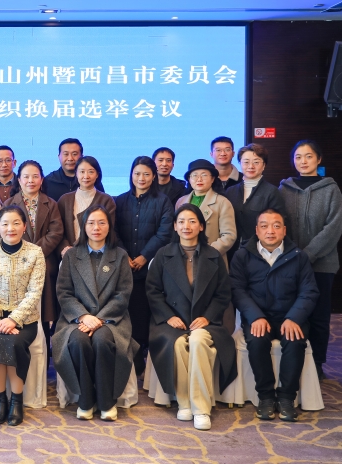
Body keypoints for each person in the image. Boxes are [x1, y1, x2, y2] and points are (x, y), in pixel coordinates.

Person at [146, 204, 236, 431]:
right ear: (175, 227)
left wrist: (207, 317)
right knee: (177, 343)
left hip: (206, 322)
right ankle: (184, 402)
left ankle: (201, 408)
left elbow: (223, 294)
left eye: (192, 221)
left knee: (197, 340)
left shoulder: (213, 256)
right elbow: (153, 291)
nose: (186, 226)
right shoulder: (163, 254)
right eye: (182, 221)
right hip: (171, 322)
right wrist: (168, 316)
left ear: (201, 226)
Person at [230, 209, 319, 422]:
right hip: (258, 317)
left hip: (289, 316)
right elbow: (237, 290)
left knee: (295, 341)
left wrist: (294, 318)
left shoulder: (299, 256)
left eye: (276, 226)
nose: (270, 231)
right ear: (257, 230)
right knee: (257, 341)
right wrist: (255, 316)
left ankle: (287, 397)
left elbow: (309, 292)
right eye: (264, 226)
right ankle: (266, 397)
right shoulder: (242, 255)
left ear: (284, 230)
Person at [53, 205, 135, 421]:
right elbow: (64, 293)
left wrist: (99, 319)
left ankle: (107, 401)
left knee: (102, 340)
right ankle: (86, 399)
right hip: (76, 319)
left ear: (109, 226)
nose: (96, 228)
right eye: (91, 223)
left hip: (112, 319)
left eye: (101, 223)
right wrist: (83, 316)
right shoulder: (71, 256)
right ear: (83, 226)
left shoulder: (120, 256)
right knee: (78, 341)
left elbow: (123, 294)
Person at [0, 206, 46, 426]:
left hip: (24, 320)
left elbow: (35, 292)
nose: (10, 228)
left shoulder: (35, 253)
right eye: (5, 224)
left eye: (16, 223)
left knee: (14, 343)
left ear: (24, 227)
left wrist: (13, 319)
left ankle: (16, 400)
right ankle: (0, 400)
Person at [279, 140, 342, 380]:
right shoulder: (284, 189)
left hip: (322, 264)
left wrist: (307, 255)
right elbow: (278, 225)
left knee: (319, 314)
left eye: (308, 156)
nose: (303, 161)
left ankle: (317, 362)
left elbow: (334, 227)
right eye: (298, 157)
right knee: (292, 312)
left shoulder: (330, 189)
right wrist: (294, 255)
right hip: (289, 263)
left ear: (318, 159)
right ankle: (294, 360)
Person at [115, 157, 174, 375]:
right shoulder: (120, 200)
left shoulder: (163, 201)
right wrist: (125, 255)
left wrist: (143, 256)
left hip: (151, 267)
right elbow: (114, 231)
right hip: (125, 267)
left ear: (154, 176)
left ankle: (148, 359)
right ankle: (133, 357)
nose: (141, 178)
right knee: (128, 310)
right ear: (131, 175)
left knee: (146, 312)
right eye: (137, 173)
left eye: (146, 174)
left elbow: (164, 233)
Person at [3, 161, 64, 353]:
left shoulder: (51, 204)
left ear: (42, 179)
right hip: (15, 264)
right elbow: (3, 232)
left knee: (43, 316)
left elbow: (56, 232)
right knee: (18, 314)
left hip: (44, 264)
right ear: (19, 180)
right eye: (26, 177)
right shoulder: (9, 204)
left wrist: (33, 253)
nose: (31, 180)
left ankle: (43, 363)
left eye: (35, 176)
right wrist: (24, 253)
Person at [224, 144, 285, 261]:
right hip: (232, 252)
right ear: (240, 164)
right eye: (246, 162)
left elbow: (279, 224)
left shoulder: (272, 192)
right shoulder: (230, 191)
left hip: (261, 253)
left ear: (264, 165)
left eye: (256, 162)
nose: (250, 166)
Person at [176, 159, 237, 262]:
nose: (199, 179)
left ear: (212, 179)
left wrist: (208, 253)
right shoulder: (181, 201)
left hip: (211, 258)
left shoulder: (222, 202)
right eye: (194, 175)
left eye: (204, 175)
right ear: (189, 179)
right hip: (183, 257)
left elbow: (229, 235)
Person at [57, 156, 116, 258]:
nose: (86, 176)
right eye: (82, 172)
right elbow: (58, 230)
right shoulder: (64, 200)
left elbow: (108, 230)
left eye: (91, 172)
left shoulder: (107, 200)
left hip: (97, 255)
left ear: (97, 175)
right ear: (76, 173)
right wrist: (65, 247)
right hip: (69, 255)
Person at [42, 138, 104, 202]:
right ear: (59, 156)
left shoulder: (91, 180)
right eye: (66, 154)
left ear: (81, 156)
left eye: (74, 154)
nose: (70, 158)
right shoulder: (49, 181)